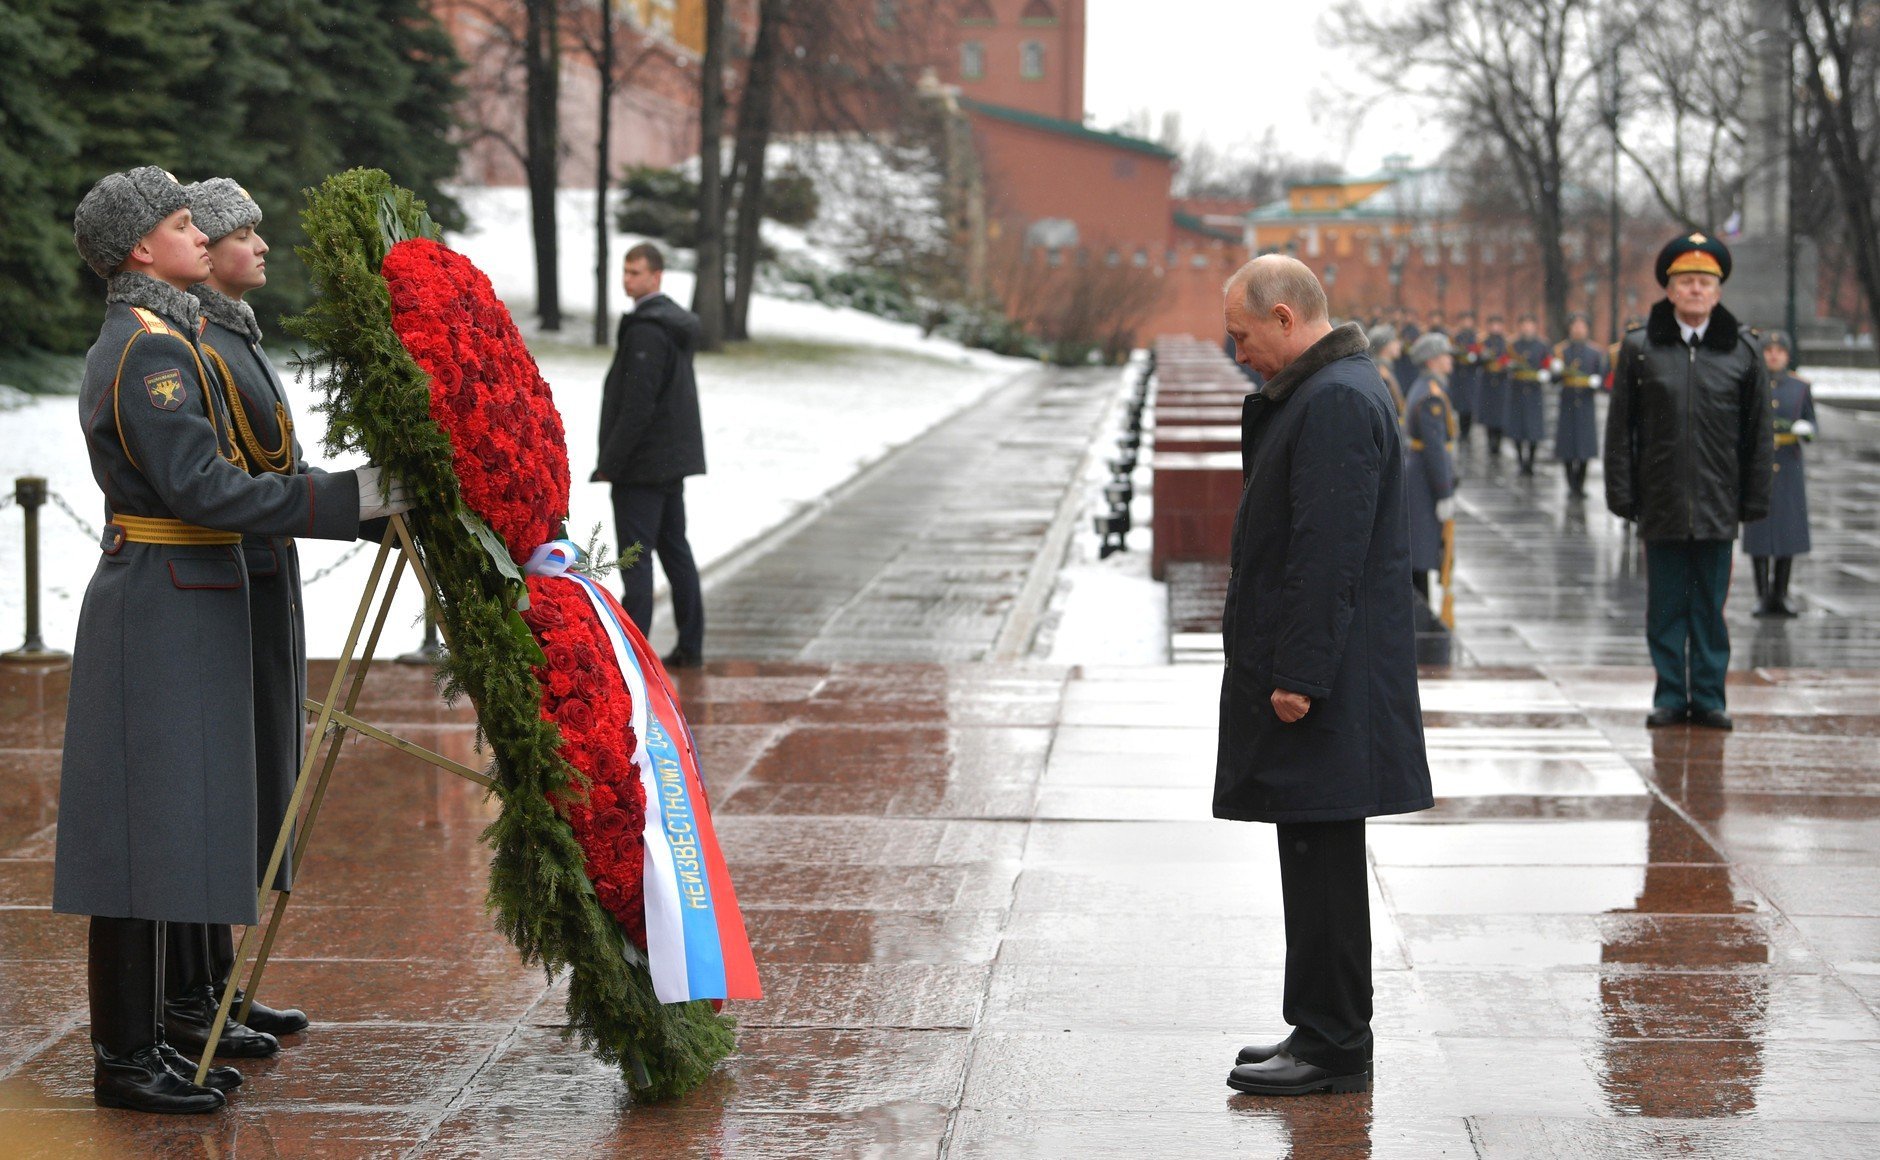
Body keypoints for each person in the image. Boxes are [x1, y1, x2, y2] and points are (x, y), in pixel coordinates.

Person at [58, 166, 412, 1113]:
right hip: (161, 599)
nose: (202, 236)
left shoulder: (169, 337)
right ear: (143, 248)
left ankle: (165, 1026)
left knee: (179, 823)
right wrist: (346, 500)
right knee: (141, 840)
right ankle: (125, 1057)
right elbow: (205, 491)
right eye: (182, 223)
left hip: (191, 595)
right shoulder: (145, 352)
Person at [1217, 255, 1434, 1097]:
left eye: (1243, 337)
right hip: (1323, 667)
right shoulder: (1325, 389)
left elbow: (1327, 552)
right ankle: (1318, 1027)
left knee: (1322, 849)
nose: (1240, 354)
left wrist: (1298, 671)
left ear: (1282, 316)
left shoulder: (1338, 398)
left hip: (1325, 675)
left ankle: (1336, 1040)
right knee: (1311, 844)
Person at [168, 178, 319, 1061]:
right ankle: (195, 994)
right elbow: (229, 470)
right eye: (242, 233)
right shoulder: (200, 341)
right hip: (238, 566)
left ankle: (215, 984)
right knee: (222, 782)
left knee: (255, 776)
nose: (260, 246)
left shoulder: (233, 336)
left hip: (264, 564)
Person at [1604, 232, 1773, 730]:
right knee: (1666, 608)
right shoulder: (1639, 348)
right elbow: (1621, 430)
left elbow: (1758, 432)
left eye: (1704, 282)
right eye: (1686, 282)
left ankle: (1710, 697)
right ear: (1670, 291)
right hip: (1661, 501)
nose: (1696, 290)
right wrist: (1622, 495)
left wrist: (1754, 497)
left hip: (1719, 503)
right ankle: (1671, 695)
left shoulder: (1743, 351)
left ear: (1717, 292)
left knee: (1709, 610)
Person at [595, 241, 707, 668]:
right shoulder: (669, 323)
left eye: (636, 272)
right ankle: (691, 644)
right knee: (675, 550)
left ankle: (633, 655)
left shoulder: (647, 328)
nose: (628, 279)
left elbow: (637, 405)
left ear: (657, 277)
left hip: (642, 466)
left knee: (636, 559)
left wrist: (612, 462)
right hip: (668, 461)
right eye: (625, 271)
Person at [1742, 330, 1816, 617]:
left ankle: (1781, 593)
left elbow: (1811, 421)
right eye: (1769, 350)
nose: (1774, 355)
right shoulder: (1751, 384)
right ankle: (1762, 595)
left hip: (1788, 464)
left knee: (1787, 530)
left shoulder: (1799, 388)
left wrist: (1806, 430)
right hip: (1759, 464)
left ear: (1787, 355)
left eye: (1780, 351)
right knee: (1760, 530)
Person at [1402, 332, 1458, 603]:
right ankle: (1420, 610)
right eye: (1446, 355)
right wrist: (1445, 491)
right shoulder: (1432, 396)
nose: (1450, 360)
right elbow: (1435, 449)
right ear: (1434, 360)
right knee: (1422, 549)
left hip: (1418, 473)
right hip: (1425, 479)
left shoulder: (1423, 387)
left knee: (1419, 547)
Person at [1553, 313, 1608, 498]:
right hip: (1568, 402)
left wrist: (1596, 382)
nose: (1578, 330)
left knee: (1584, 446)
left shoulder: (1595, 352)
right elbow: (1554, 379)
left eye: (1582, 326)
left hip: (1585, 404)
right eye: (1575, 326)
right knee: (1567, 446)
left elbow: (1602, 378)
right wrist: (1555, 371)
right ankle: (1570, 484)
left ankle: (1580, 484)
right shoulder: (1561, 351)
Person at [1506, 313, 1551, 476]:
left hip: (1534, 393)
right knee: (1517, 429)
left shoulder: (1542, 345)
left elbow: (1547, 363)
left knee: (1533, 430)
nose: (1527, 327)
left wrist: (1545, 373)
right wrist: (1509, 367)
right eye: (1523, 324)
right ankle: (1520, 461)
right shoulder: (1513, 345)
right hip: (1517, 391)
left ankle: (1530, 461)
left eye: (1530, 324)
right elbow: (1504, 361)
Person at [1478, 315, 1511, 457]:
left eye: (1498, 324)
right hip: (1488, 382)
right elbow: (1476, 361)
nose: (1495, 328)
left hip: (1502, 383)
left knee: (1501, 414)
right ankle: (1490, 441)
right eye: (1492, 324)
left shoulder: (1507, 343)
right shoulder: (1483, 342)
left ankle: (1498, 442)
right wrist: (1481, 357)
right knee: (1489, 414)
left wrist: (1506, 366)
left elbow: (1511, 360)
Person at [1450, 310, 1482, 446]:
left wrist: (1475, 358)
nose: (1466, 323)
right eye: (1464, 320)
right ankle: (1462, 432)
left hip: (1471, 377)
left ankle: (1467, 432)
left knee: (1469, 406)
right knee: (1460, 406)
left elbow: (1481, 357)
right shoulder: (1455, 337)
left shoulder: (1477, 338)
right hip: (1459, 376)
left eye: (1468, 320)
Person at [1366, 323, 1405, 416]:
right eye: (1394, 340)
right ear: (1385, 346)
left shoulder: (1384, 369)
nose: (1399, 344)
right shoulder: (1381, 373)